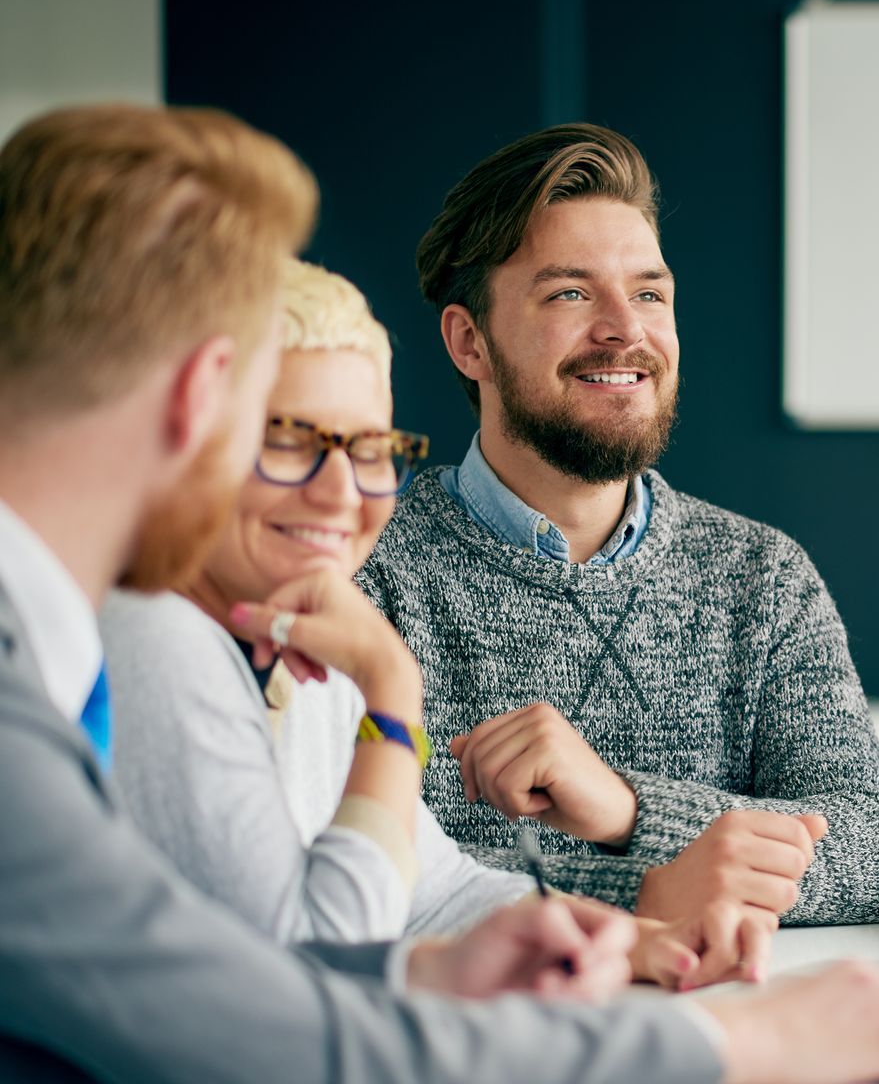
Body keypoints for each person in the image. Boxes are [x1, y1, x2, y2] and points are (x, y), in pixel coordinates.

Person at [0, 102, 879, 1084]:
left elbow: (311, 940)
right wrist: (745, 1040)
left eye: (648, 290)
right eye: (283, 424)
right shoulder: (205, 625)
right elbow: (310, 1050)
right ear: (206, 392)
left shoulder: (72, 655)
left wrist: (514, 919)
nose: (336, 491)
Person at [103, 260, 765, 988]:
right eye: (289, 439)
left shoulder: (295, 643)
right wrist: (393, 693)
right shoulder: (149, 636)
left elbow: (433, 891)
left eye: (369, 449)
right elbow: (316, 966)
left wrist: (633, 940)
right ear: (191, 441)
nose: (340, 491)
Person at [356, 123, 879, 930]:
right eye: (571, 294)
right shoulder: (365, 560)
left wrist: (628, 811)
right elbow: (370, 865)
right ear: (469, 342)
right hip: (490, 1036)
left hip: (728, 1030)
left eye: (650, 293)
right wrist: (660, 891)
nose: (627, 330)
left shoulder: (761, 574)